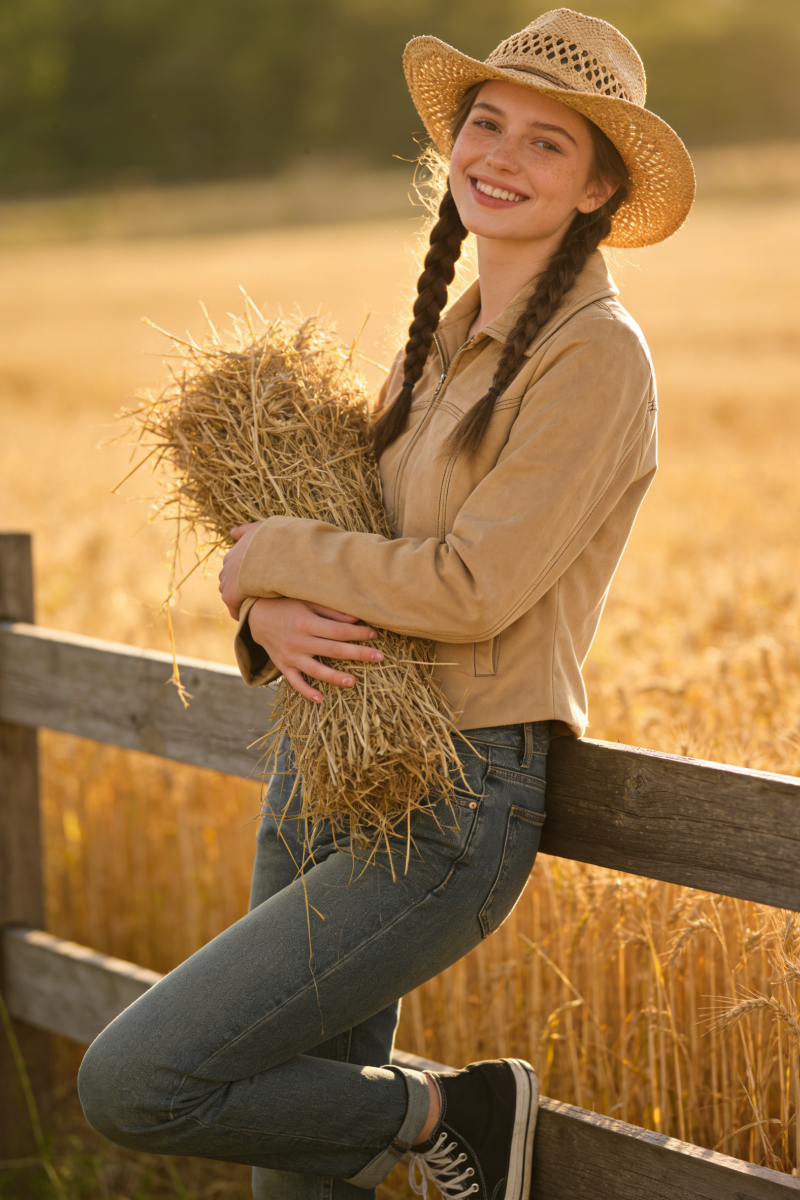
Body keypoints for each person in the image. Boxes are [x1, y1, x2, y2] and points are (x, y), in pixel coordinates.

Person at [78, 10, 694, 1200]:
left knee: (137, 1082)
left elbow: (473, 586)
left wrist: (272, 554)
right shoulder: (440, 340)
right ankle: (425, 1123)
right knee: (292, 1176)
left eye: (546, 145)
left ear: (597, 190)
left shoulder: (596, 356)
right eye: (484, 123)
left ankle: (447, 1113)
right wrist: (262, 619)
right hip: (330, 760)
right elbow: (356, 553)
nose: (498, 157)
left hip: (456, 798)